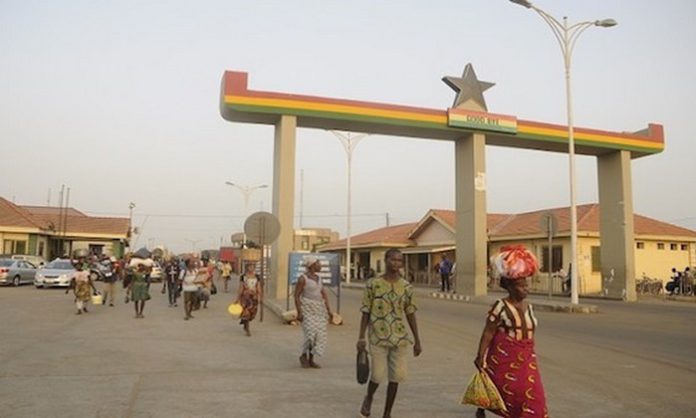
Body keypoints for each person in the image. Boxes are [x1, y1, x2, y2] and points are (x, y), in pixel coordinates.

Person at [473, 245, 548, 418]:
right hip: (506, 360)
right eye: (521, 286)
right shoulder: (500, 307)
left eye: (526, 285)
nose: (526, 289)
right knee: (508, 393)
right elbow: (488, 333)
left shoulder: (529, 308)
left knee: (534, 395)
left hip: (528, 359)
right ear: (510, 287)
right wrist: (480, 356)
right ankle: (482, 407)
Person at [357, 248, 422, 418]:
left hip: (399, 339)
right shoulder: (373, 284)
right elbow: (366, 311)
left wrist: (417, 340)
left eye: (399, 261)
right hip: (378, 337)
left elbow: (410, 313)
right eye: (393, 260)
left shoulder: (406, 287)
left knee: (396, 377)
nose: (396, 264)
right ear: (386, 260)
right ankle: (369, 397)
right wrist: (361, 336)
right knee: (377, 375)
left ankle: (387, 413)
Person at [295, 255, 333, 369]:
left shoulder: (319, 278)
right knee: (310, 333)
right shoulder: (303, 279)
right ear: (311, 265)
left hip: (319, 309)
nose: (320, 265)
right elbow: (297, 296)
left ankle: (311, 358)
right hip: (307, 308)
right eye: (318, 263)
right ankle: (303, 355)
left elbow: (323, 294)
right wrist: (299, 312)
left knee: (319, 335)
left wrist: (329, 310)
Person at [234, 262, 262, 336]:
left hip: (254, 298)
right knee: (246, 313)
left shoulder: (257, 276)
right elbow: (241, 288)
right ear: (247, 267)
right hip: (245, 298)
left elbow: (258, 287)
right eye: (250, 267)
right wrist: (237, 298)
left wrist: (259, 296)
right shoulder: (243, 276)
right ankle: (247, 329)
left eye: (253, 267)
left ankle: (244, 323)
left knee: (252, 313)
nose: (251, 268)